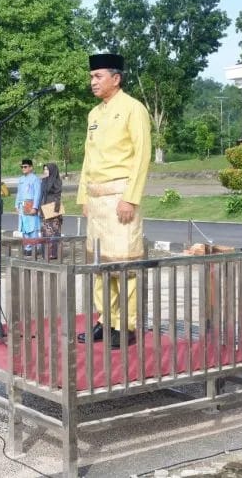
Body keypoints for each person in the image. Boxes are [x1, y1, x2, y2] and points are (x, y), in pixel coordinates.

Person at [76, 53, 151, 349]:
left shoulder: (134, 108)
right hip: (96, 199)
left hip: (121, 196)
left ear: (116, 78)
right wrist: (83, 195)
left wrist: (130, 198)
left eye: (98, 76)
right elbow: (88, 157)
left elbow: (142, 156)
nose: (93, 82)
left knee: (124, 265)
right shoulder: (94, 114)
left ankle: (125, 325)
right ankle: (105, 320)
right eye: (91, 77)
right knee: (100, 264)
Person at [15, 159, 41, 255]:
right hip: (22, 206)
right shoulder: (21, 179)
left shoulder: (35, 179)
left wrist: (35, 207)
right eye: (22, 167)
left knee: (32, 228)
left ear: (31, 167)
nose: (23, 168)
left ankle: (34, 247)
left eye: (25, 167)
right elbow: (19, 193)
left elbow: (37, 194)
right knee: (24, 228)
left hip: (30, 205)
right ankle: (27, 247)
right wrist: (16, 205)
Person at [40, 162, 64, 259]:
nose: (45, 171)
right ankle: (46, 253)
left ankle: (54, 253)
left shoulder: (57, 181)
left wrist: (56, 211)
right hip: (44, 208)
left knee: (54, 231)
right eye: (44, 169)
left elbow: (58, 196)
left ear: (52, 170)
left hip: (54, 208)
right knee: (45, 231)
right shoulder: (44, 181)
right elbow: (42, 195)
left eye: (47, 169)